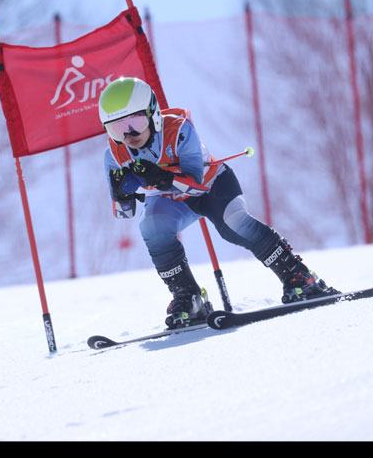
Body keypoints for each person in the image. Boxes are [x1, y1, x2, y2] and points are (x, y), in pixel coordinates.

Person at [99, 77, 337, 329]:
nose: (128, 134)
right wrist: (122, 195)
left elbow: (196, 185)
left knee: (232, 224)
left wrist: (162, 177)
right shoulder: (113, 155)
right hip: (171, 200)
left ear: (153, 113)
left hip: (213, 186)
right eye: (116, 128)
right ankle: (188, 297)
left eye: (135, 122)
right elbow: (124, 214)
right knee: (151, 226)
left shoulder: (179, 130)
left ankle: (299, 276)